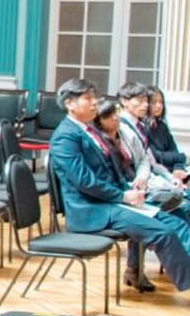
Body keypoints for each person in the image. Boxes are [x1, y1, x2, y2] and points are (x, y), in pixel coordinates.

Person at [50, 78, 190, 292]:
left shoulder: (89, 130)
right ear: (70, 103)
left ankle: (139, 271)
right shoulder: (65, 136)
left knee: (175, 219)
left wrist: (129, 190)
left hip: (111, 201)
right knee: (163, 233)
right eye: (88, 98)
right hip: (92, 209)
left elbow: (112, 170)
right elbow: (84, 181)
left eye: (94, 97)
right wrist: (122, 196)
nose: (95, 103)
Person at [147, 87, 185, 172]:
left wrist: (178, 168)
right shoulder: (142, 127)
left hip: (172, 170)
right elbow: (156, 156)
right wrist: (181, 157)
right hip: (155, 172)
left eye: (161, 102)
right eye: (154, 102)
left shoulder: (162, 126)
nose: (159, 106)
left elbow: (174, 149)